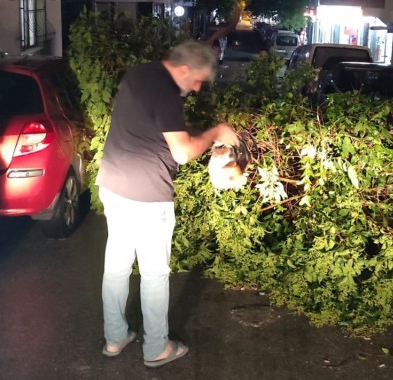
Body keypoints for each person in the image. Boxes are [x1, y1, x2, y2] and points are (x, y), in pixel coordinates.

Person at [96, 40, 239, 368]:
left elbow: (156, 128)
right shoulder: (168, 96)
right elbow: (183, 153)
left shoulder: (140, 74)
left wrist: (199, 134)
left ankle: (115, 337)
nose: (199, 87)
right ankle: (157, 348)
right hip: (147, 197)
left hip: (114, 185)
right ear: (184, 69)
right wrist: (216, 130)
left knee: (116, 267)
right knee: (154, 274)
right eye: (199, 79)